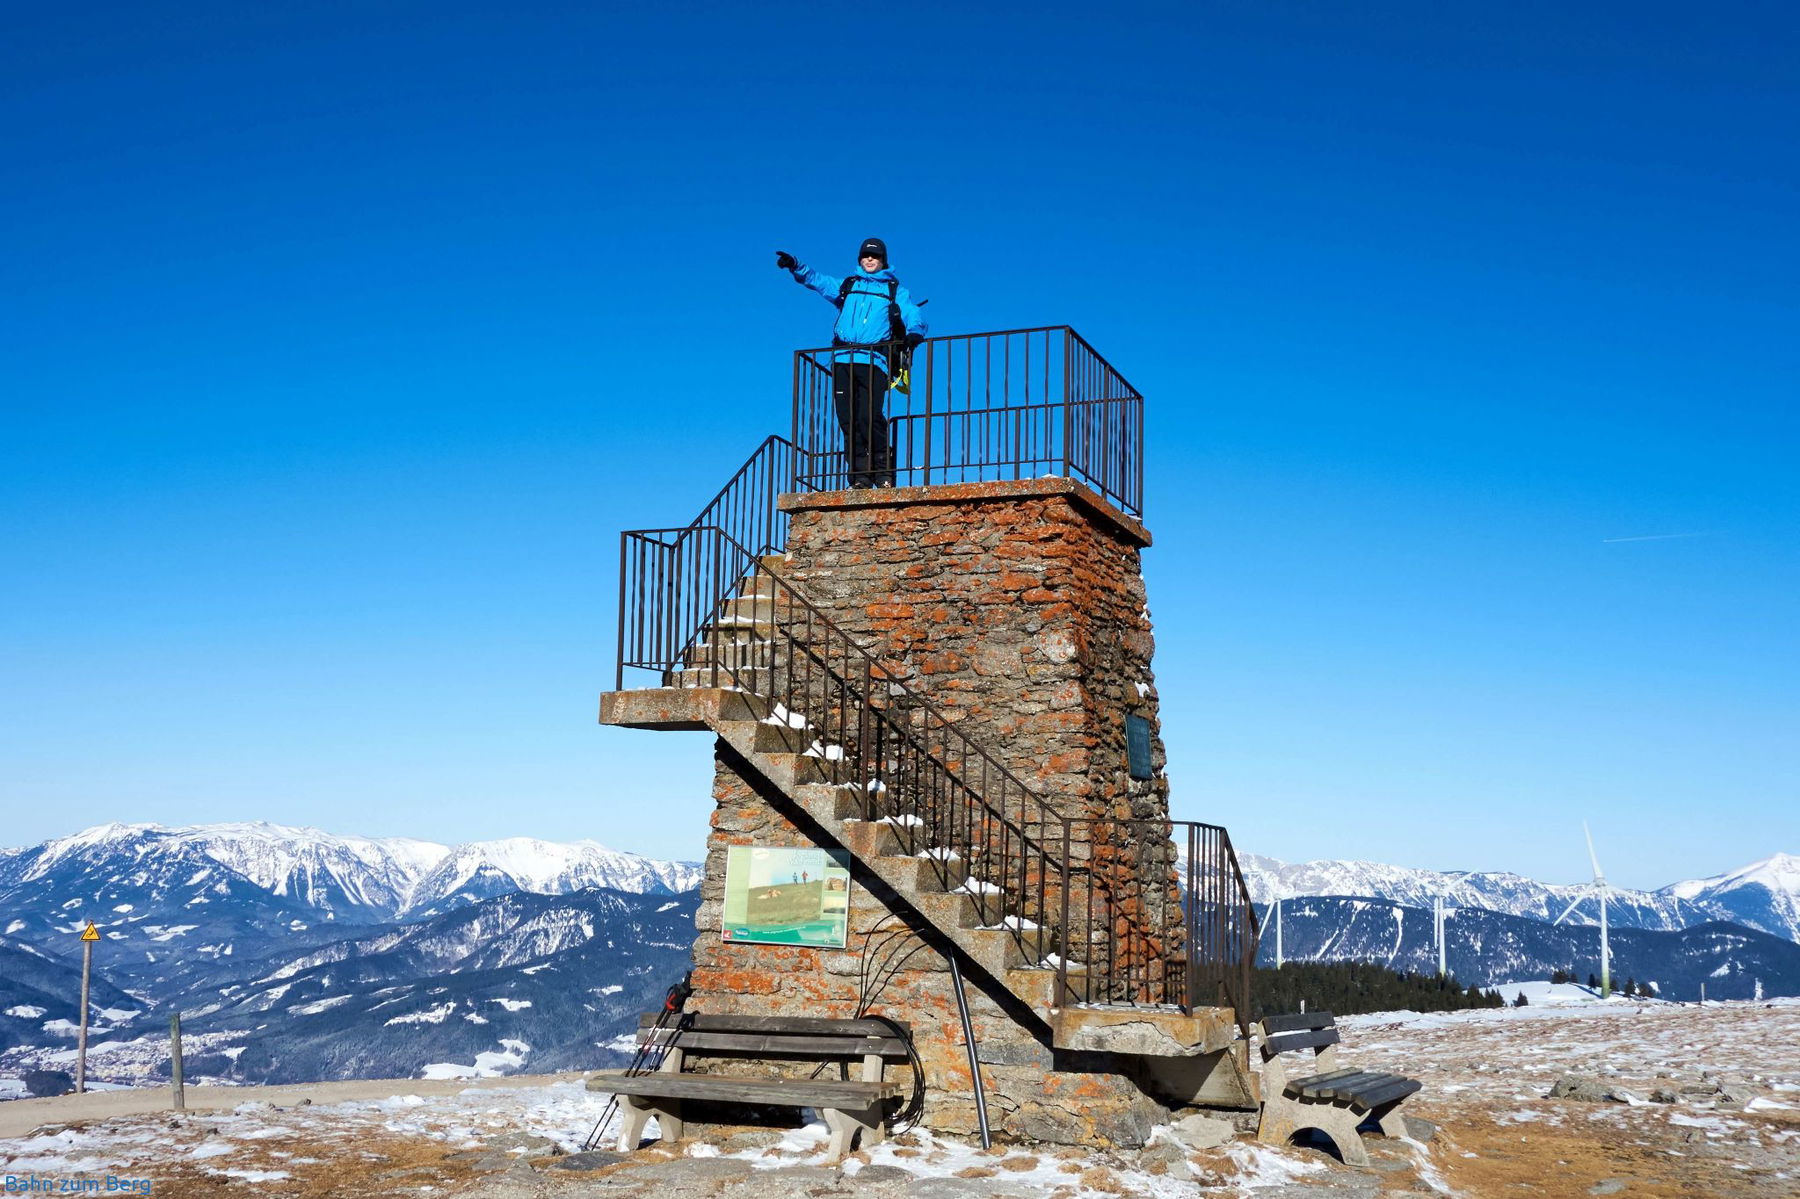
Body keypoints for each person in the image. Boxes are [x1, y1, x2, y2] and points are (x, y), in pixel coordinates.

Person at [775, 238, 927, 488]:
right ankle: (858, 476)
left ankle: (883, 472)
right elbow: (818, 280)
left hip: (875, 361)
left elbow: (912, 312)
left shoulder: (893, 290)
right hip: (843, 361)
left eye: (875, 257)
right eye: (865, 256)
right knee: (848, 419)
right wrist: (795, 265)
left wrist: (915, 332)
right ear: (860, 259)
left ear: (882, 261)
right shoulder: (848, 285)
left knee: (870, 416)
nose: (869, 260)